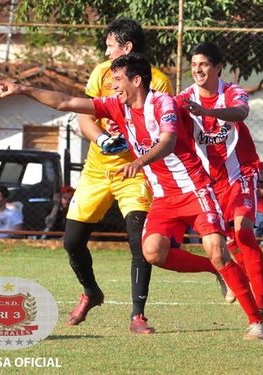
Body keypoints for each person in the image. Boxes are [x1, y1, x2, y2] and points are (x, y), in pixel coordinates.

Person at [0, 52, 263, 340]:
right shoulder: (116, 106)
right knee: (153, 252)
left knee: (216, 248)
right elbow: (67, 102)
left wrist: (139, 162)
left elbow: (168, 140)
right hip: (164, 198)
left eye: (117, 80)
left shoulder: (163, 103)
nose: (112, 86)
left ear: (136, 80)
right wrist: (23, 90)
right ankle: (220, 271)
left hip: (195, 190)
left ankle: (256, 322)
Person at [58, 18, 174, 334]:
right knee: (72, 241)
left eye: (110, 45)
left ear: (127, 48)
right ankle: (91, 292)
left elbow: (163, 130)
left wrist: (138, 145)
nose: (106, 51)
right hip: (97, 170)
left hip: (135, 172)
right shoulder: (100, 73)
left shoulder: (159, 83)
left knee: (139, 240)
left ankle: (138, 315)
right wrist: (103, 139)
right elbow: (85, 117)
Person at [175, 42, 263, 327]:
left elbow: (241, 112)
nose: (197, 69)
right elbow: (166, 116)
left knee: (243, 233)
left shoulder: (232, 91)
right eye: (194, 64)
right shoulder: (184, 98)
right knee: (231, 247)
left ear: (218, 67)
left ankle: (261, 304)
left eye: (204, 64)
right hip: (210, 182)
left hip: (241, 173)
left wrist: (206, 113)